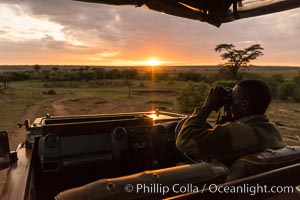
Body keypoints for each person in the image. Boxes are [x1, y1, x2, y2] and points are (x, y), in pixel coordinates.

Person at [176, 80, 284, 164]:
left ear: (245, 105)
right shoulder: (271, 130)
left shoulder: (240, 133)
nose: (229, 103)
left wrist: (207, 107)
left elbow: (184, 141)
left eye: (232, 99)